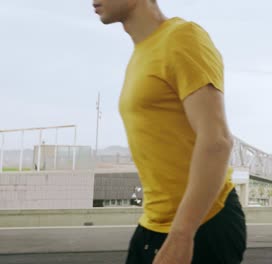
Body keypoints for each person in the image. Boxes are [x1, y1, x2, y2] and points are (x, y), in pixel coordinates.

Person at [93, 0, 247, 263]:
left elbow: (217, 141)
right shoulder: (141, 52)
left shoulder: (182, 38)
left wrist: (182, 235)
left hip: (202, 224)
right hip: (154, 223)